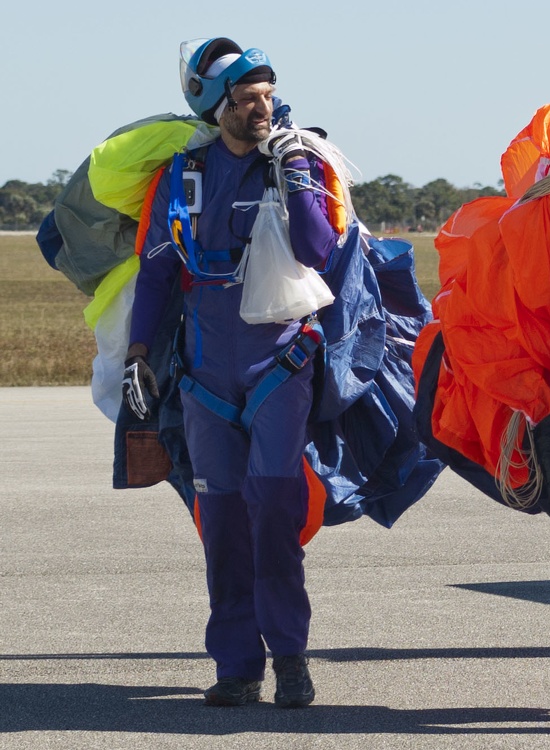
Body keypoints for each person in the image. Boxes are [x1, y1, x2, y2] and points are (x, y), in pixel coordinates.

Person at [121, 37, 341, 708]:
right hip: (204, 380)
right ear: (217, 109)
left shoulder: (294, 162)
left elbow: (318, 250)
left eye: (268, 98)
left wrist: (295, 174)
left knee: (274, 510)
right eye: (247, 101)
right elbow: (158, 270)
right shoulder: (183, 176)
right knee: (219, 522)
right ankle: (237, 664)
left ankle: (292, 659)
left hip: (280, 366)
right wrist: (136, 354)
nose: (261, 110)